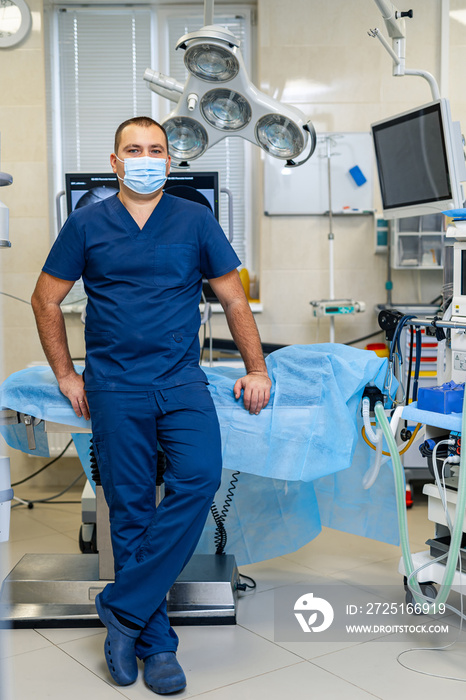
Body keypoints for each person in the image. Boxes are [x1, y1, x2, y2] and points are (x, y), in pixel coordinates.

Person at [31, 116, 271, 695]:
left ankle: (121, 607)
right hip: (115, 386)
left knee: (199, 476)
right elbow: (45, 298)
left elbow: (234, 300)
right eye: (132, 149)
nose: (145, 157)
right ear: (114, 161)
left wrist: (257, 368)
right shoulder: (87, 223)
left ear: (170, 159)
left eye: (155, 149)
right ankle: (155, 641)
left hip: (180, 380)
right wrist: (66, 372)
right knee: (130, 507)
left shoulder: (194, 218)